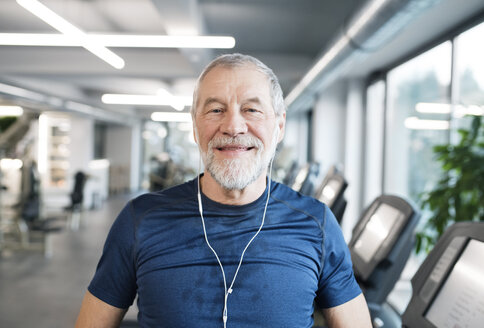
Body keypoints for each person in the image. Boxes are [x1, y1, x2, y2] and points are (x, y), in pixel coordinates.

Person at [75, 53, 372, 328]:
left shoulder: (316, 224)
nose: (232, 126)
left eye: (251, 109)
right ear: (195, 127)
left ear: (279, 126)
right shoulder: (140, 220)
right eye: (216, 110)